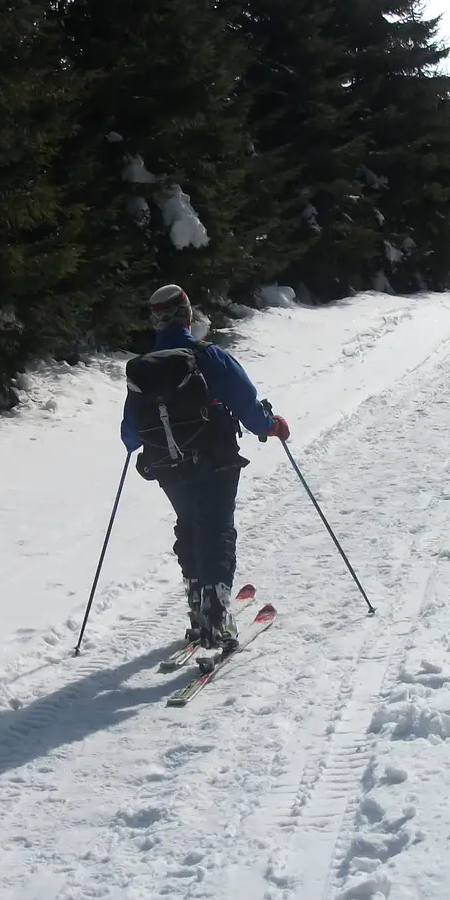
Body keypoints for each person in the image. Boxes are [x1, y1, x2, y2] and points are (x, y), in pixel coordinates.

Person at [122, 284, 290, 663]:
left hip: (165, 465)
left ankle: (199, 612)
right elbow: (247, 406)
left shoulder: (144, 368)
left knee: (190, 527)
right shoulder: (207, 356)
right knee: (217, 529)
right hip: (214, 459)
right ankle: (217, 620)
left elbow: (129, 433)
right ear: (188, 315)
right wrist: (271, 425)